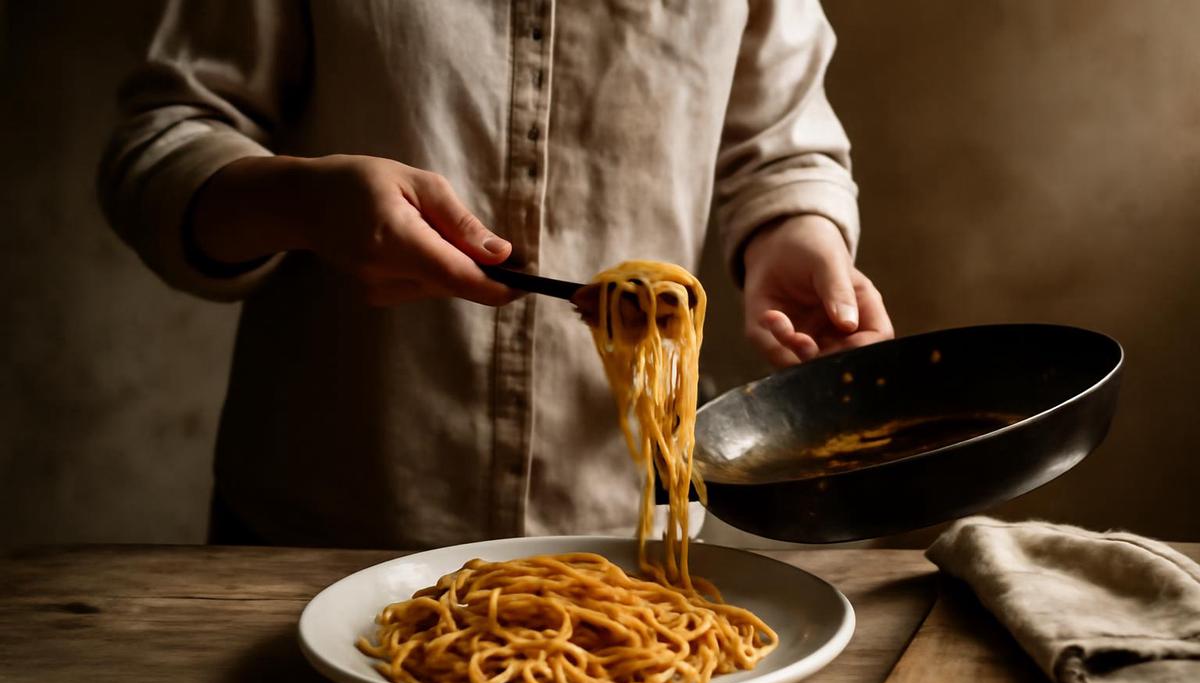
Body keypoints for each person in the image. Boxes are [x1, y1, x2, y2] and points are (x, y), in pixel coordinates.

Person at [99, 0, 893, 549]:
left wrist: (795, 231)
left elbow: (784, 142)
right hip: (323, 527)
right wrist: (302, 205)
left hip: (626, 529)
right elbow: (160, 144)